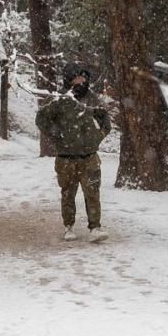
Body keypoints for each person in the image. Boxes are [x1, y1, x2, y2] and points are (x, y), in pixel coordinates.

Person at [36, 63, 112, 242]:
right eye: (77, 77)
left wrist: (97, 137)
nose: (81, 81)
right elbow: (41, 119)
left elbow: (105, 121)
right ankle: (68, 226)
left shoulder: (92, 99)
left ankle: (95, 227)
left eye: (84, 78)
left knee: (92, 193)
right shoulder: (59, 99)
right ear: (69, 79)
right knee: (68, 193)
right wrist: (57, 135)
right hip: (66, 158)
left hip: (90, 157)